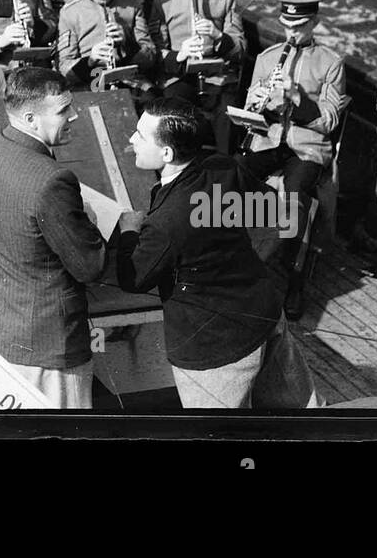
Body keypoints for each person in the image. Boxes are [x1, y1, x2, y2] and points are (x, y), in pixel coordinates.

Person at [114, 101, 318, 408]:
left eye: (140, 135)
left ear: (167, 154)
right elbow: (280, 213)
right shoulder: (223, 167)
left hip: (215, 349)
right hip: (264, 315)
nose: (132, 139)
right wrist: (250, 260)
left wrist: (129, 230)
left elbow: (134, 278)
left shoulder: (167, 221)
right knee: (303, 417)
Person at [0, 67, 105, 408]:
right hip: (47, 351)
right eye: (64, 110)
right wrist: (92, 223)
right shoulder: (52, 180)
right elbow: (90, 266)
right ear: (32, 118)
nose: (74, 116)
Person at [235, 0, 346, 320]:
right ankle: (242, 258)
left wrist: (298, 98)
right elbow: (251, 115)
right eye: (286, 25)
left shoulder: (330, 63)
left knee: (296, 199)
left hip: (306, 148)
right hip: (268, 141)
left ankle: (295, 282)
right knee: (234, 173)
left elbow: (329, 120)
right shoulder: (267, 58)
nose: (291, 33)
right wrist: (256, 104)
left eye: (298, 26)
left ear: (314, 22)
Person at [151, 0, 246, 153]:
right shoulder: (164, 1)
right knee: (176, 114)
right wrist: (181, 54)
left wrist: (217, 35)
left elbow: (240, 49)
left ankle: (226, 168)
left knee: (228, 115)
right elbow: (155, 51)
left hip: (217, 77)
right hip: (181, 76)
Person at [56, 0, 156, 90]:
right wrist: (90, 60)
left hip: (129, 79)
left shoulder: (132, 5)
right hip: (90, 81)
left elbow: (150, 57)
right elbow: (65, 69)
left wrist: (128, 43)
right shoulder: (71, 12)